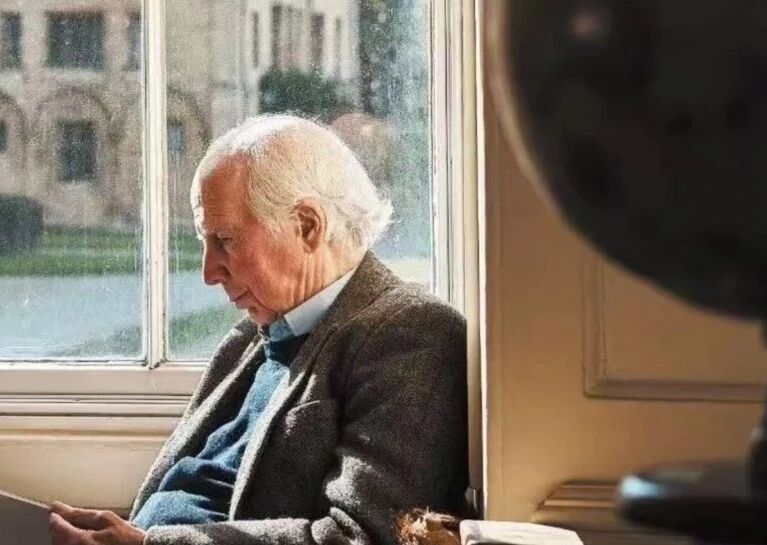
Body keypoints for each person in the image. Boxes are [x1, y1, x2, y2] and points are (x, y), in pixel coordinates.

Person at [49, 114, 468, 545]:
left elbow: (360, 537)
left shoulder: (414, 335)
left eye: (225, 241)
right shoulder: (252, 338)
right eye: (205, 242)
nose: (209, 272)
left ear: (308, 226)